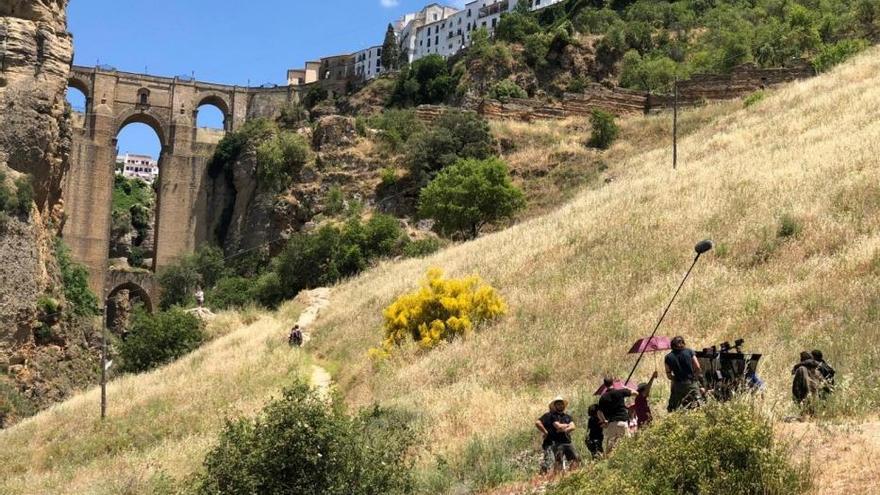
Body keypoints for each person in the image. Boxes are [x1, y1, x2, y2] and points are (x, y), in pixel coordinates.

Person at [535, 396, 579, 473]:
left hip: (567, 441)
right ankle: (550, 477)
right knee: (556, 461)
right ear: (554, 406)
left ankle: (572, 475)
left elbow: (573, 426)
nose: (560, 406)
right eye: (558, 404)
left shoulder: (567, 416)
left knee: (575, 459)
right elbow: (557, 426)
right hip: (554, 442)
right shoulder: (550, 415)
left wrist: (564, 429)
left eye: (561, 404)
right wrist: (545, 432)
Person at [597, 377, 637, 454]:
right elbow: (636, 393)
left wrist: (604, 421)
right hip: (622, 422)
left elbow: (599, 412)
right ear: (613, 383)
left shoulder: (603, 397)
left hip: (611, 424)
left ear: (605, 385)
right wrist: (625, 388)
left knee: (610, 450)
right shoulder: (620, 392)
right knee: (628, 446)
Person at [664, 336, 702, 412]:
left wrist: (675, 378)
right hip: (691, 383)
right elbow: (697, 367)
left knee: (678, 408)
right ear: (683, 343)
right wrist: (695, 377)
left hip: (678, 385)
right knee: (699, 405)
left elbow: (668, 375)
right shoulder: (689, 351)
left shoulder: (668, 357)